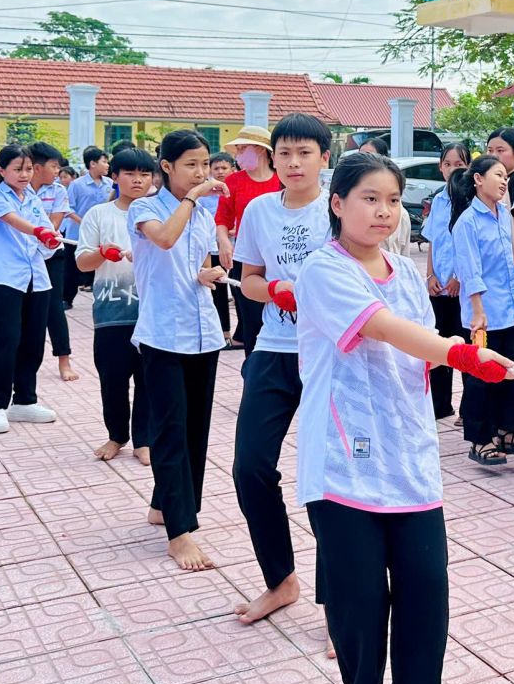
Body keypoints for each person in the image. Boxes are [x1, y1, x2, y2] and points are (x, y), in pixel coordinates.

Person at [296, 151, 512, 684]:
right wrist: (458, 353)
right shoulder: (323, 269)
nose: (383, 211)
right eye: (369, 198)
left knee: (425, 593)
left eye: (392, 200)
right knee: (358, 599)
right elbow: (384, 328)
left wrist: (452, 349)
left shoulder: (407, 272)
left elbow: (417, 343)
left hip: (409, 457)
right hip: (344, 460)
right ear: (338, 203)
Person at [231, 114, 335, 625]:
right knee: (250, 467)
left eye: (305, 153)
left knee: (328, 478)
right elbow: (248, 279)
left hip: (329, 353)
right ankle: (281, 580)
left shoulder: (338, 209)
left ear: (324, 159)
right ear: (274, 159)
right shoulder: (259, 211)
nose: (294, 163)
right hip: (273, 349)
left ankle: (340, 605)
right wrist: (274, 289)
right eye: (285, 154)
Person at [129, 130, 229, 572]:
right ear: (167, 167)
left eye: (205, 164)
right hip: (163, 334)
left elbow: (200, 265)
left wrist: (209, 274)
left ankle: (164, 505)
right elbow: (166, 240)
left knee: (195, 428)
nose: (201, 172)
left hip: (203, 332)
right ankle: (179, 532)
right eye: (191, 164)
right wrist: (191, 198)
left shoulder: (203, 214)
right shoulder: (145, 209)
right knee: (169, 429)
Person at [75, 147, 156, 464]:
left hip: (152, 313)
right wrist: (101, 253)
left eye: (144, 174)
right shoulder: (99, 214)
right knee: (113, 379)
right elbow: (82, 262)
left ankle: (144, 440)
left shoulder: (160, 214)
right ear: (114, 177)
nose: (138, 180)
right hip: (111, 312)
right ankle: (116, 435)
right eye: (130, 174)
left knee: (149, 379)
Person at [449, 153, 514, 467]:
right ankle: (481, 439)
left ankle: (508, 431)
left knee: (512, 372)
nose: (503, 181)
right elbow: (470, 271)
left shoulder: (503, 215)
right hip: (482, 315)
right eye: (497, 175)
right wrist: (478, 311)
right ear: (478, 180)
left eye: (506, 177)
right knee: (480, 379)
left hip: (507, 311)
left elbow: (506, 266)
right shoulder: (467, 222)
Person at [0, 145, 59, 435]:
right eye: (17, 169)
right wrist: (38, 232)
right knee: (6, 340)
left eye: (28, 169)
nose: (24, 175)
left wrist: (50, 239)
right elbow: (12, 220)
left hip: (36, 277)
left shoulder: (33, 198)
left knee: (33, 341)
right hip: (5, 277)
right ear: (1, 170)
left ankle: (24, 400)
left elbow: (44, 229)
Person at [214, 128, 279, 355]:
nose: (238, 154)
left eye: (243, 149)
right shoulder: (234, 181)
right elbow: (222, 218)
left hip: (278, 258)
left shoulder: (281, 180)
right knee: (251, 321)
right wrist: (224, 242)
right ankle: (252, 365)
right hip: (245, 259)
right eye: (238, 149)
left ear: (260, 150)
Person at [422, 142, 471, 420]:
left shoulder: (472, 200)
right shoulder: (439, 200)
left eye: (459, 164)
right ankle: (440, 405)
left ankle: (468, 410)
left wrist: (458, 278)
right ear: (441, 167)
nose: (453, 169)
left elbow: (470, 247)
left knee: (464, 346)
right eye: (448, 164)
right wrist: (430, 276)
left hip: (461, 290)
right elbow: (433, 242)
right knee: (438, 345)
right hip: (438, 288)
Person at [28, 142, 77, 382]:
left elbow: (53, 226)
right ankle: (3, 359)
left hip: (51, 254)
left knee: (54, 307)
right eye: (54, 166)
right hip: (22, 255)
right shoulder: (17, 189)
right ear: (37, 167)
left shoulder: (58, 191)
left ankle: (64, 360)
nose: (58, 171)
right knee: (16, 308)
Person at [64, 146, 113, 308]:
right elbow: (68, 209)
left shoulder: (110, 184)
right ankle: (67, 299)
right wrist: (84, 222)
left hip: (102, 234)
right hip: (76, 234)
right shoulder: (77, 185)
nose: (107, 165)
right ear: (93, 163)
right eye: (104, 162)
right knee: (71, 268)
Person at [203, 152, 235, 341]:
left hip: (235, 247)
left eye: (224, 168)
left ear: (232, 169)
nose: (220, 171)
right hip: (212, 249)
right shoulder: (203, 195)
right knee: (218, 289)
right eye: (216, 168)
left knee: (238, 288)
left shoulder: (234, 190)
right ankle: (223, 331)